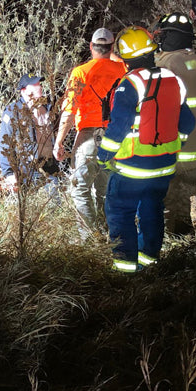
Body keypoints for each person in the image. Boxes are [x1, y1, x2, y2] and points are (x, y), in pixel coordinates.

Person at [97, 26, 195, 272]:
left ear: (126, 57)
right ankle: (149, 263)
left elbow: (119, 127)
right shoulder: (174, 79)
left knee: (120, 212)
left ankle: (124, 269)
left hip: (132, 167)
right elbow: (189, 122)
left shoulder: (131, 83)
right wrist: (176, 144)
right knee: (153, 211)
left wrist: (103, 156)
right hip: (164, 167)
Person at [53, 28, 126, 238]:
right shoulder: (122, 69)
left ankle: (90, 238)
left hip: (88, 137)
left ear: (91, 47)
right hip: (115, 138)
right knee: (106, 190)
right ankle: (109, 232)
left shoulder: (80, 72)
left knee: (80, 189)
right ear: (111, 48)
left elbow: (69, 111)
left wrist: (59, 142)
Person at [152, 12, 196, 234]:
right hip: (194, 150)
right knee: (183, 203)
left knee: (167, 206)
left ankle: (171, 253)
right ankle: (187, 245)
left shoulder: (165, 64)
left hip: (171, 149)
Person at [0, 74, 60, 204]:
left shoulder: (48, 107)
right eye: (35, 85)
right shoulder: (13, 111)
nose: (40, 87)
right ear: (24, 90)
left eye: (40, 84)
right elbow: (5, 144)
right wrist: (9, 173)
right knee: (31, 211)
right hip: (28, 172)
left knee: (54, 209)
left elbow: (56, 132)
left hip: (50, 168)